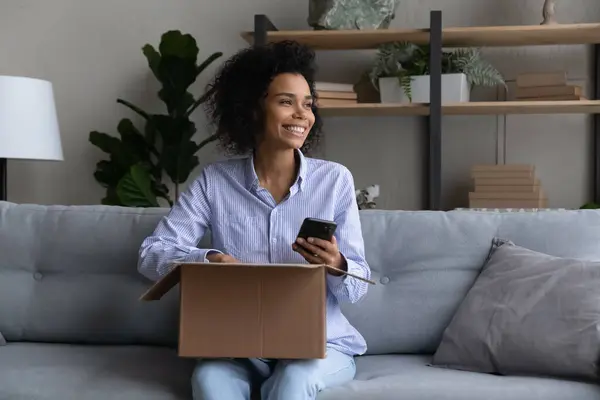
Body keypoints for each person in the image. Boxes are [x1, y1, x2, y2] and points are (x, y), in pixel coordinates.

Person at [137, 40, 371, 400]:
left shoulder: (335, 180)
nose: (302, 114)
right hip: (238, 345)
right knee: (209, 384)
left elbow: (358, 287)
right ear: (252, 110)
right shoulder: (214, 182)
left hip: (321, 346)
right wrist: (209, 260)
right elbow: (152, 254)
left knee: (291, 384)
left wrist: (336, 264)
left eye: (307, 104)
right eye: (285, 102)